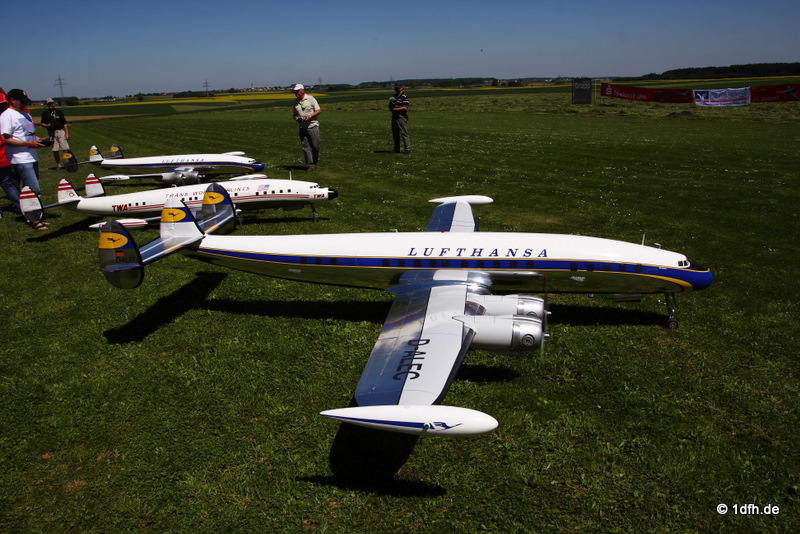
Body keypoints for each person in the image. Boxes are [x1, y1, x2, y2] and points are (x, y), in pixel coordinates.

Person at [1, 89, 49, 229]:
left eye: (25, 101)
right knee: (33, 189)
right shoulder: (6, 116)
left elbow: (28, 135)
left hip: (32, 156)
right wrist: (29, 143)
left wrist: (40, 140)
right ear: (12, 100)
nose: (24, 104)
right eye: (21, 101)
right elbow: (5, 139)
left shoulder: (25, 115)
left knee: (31, 189)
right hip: (20, 159)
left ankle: (33, 217)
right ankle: (34, 220)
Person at [291, 84, 321, 171]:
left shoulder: (310, 99)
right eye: (294, 92)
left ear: (302, 90)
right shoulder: (295, 102)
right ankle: (310, 165)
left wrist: (309, 116)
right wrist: (297, 118)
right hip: (302, 127)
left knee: (315, 146)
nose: (296, 93)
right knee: (305, 147)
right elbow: (294, 115)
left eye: (297, 91)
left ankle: (315, 160)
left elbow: (318, 110)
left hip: (312, 126)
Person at [40, 98, 70, 170]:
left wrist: (67, 134)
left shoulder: (59, 112)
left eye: (51, 103)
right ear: (47, 105)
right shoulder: (45, 113)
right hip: (51, 133)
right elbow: (42, 123)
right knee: (55, 150)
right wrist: (46, 125)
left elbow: (64, 124)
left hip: (60, 131)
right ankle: (58, 165)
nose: (50, 105)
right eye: (49, 104)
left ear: (54, 104)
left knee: (65, 148)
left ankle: (68, 163)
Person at [389, 82, 410, 154]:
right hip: (394, 117)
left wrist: (396, 109)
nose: (397, 89)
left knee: (404, 133)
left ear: (402, 88)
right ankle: (396, 149)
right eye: (396, 88)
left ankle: (407, 149)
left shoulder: (404, 96)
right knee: (395, 134)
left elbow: (405, 107)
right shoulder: (393, 97)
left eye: (398, 88)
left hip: (401, 117)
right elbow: (390, 106)